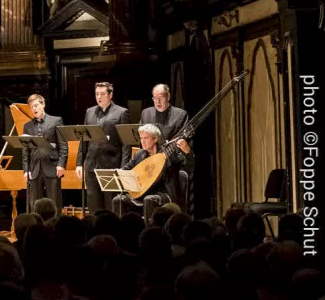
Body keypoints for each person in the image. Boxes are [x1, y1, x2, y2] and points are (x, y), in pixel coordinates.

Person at [113, 124, 195, 222]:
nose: (142, 141)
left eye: (146, 138)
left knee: (149, 199)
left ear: (155, 139)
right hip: (142, 193)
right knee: (118, 200)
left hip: (163, 194)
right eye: (141, 138)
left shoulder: (169, 154)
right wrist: (116, 173)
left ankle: (151, 232)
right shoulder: (139, 155)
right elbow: (126, 170)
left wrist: (187, 153)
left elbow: (189, 167)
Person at [76, 81, 130, 213]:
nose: (99, 97)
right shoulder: (89, 112)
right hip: (91, 165)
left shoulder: (122, 113)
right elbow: (84, 140)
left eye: (102, 94)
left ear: (110, 95)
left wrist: (124, 168)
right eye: (96, 94)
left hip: (111, 166)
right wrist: (79, 163)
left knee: (110, 205)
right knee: (94, 205)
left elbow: (126, 144)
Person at [21, 93, 67, 212]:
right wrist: (26, 170)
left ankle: (55, 228)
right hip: (34, 168)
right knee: (34, 204)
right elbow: (25, 150)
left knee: (54, 202)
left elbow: (63, 145)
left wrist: (61, 164)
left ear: (43, 104)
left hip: (52, 166)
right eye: (31, 107)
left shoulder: (56, 121)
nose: (34, 109)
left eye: (36, 105)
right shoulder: (27, 126)